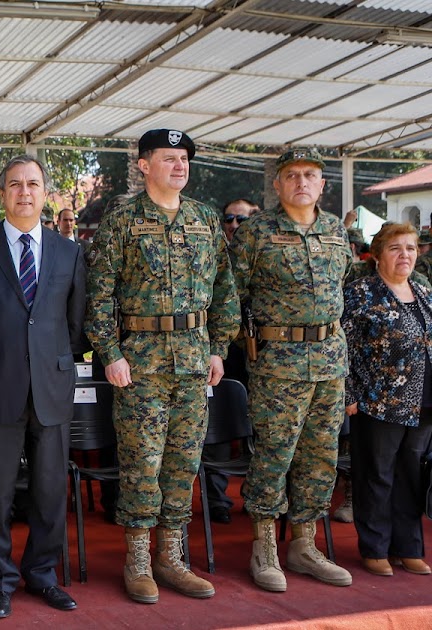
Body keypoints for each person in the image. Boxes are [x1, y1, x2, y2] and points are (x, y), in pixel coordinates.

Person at [85, 129, 239, 604]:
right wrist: (110, 353)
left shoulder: (205, 219)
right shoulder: (122, 221)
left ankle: (171, 559)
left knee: (183, 465)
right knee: (141, 466)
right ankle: (137, 561)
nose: (179, 166)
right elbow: (99, 295)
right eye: (168, 158)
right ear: (143, 165)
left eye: (184, 158)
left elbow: (225, 289)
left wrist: (219, 347)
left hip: (193, 362)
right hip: (142, 366)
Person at [0, 155, 86, 617]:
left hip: (51, 387)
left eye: (32, 184)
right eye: (14, 185)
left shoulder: (68, 252)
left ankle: (42, 574)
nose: (24, 192)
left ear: (45, 193)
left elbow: (74, 325)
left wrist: (46, 362)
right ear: (2, 194)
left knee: (50, 490)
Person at [231, 148, 355, 592]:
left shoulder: (336, 232)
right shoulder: (257, 232)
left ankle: (305, 545)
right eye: (291, 175)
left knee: (320, 457)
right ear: (278, 184)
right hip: (278, 365)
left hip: (329, 361)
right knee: (274, 456)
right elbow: (231, 295)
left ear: (323, 184)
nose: (301, 182)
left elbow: (343, 291)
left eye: (310, 175)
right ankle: (263, 547)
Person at [342, 222, 432, 578]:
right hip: (378, 399)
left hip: (423, 400)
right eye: (396, 248)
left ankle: (408, 547)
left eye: (410, 248)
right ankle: (375, 547)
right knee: (377, 474)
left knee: (412, 474)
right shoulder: (361, 292)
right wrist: (349, 394)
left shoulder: (423, 290)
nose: (405, 255)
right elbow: (342, 347)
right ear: (377, 254)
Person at [205, 197, 260, 525]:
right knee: (220, 430)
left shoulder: (265, 251)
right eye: (229, 219)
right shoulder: (213, 252)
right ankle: (217, 499)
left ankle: (259, 498)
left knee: (263, 433)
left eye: (242, 219)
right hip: (224, 353)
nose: (234, 225)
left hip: (263, 354)